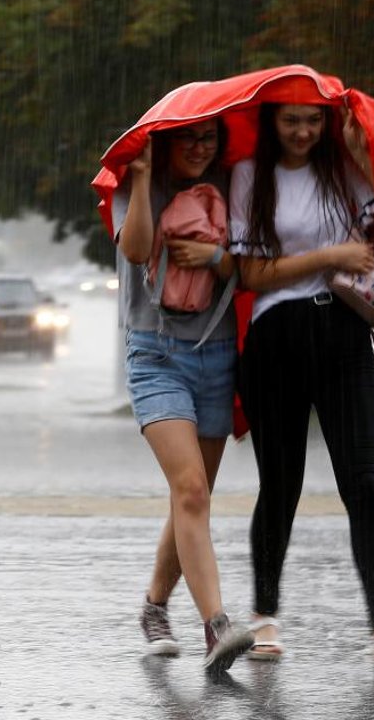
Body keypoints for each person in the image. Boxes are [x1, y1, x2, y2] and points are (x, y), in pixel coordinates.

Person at [229, 101, 374, 673]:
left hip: (344, 332)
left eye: (313, 121)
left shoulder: (344, 171)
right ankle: (264, 616)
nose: (302, 131)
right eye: (291, 120)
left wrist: (367, 154)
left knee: (365, 482)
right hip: (277, 340)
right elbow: (249, 274)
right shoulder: (251, 176)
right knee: (281, 486)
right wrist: (330, 255)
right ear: (272, 122)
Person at [113, 118, 254, 674]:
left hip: (218, 355)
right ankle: (217, 625)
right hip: (156, 354)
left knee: (192, 496)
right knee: (190, 487)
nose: (199, 149)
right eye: (188, 139)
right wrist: (144, 178)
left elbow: (256, 267)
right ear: (167, 142)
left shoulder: (235, 183)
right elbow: (135, 250)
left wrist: (216, 260)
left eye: (209, 139)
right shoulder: (136, 181)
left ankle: (153, 605)